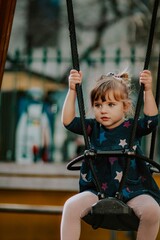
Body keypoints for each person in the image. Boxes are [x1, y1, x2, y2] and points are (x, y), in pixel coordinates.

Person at [61, 69, 160, 240]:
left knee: (153, 211)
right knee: (70, 206)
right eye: (98, 105)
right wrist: (71, 90)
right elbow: (68, 122)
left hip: (132, 190)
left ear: (125, 107)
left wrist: (148, 90)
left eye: (110, 104)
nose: (103, 110)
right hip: (97, 191)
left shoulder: (132, 127)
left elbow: (152, 121)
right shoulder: (92, 128)